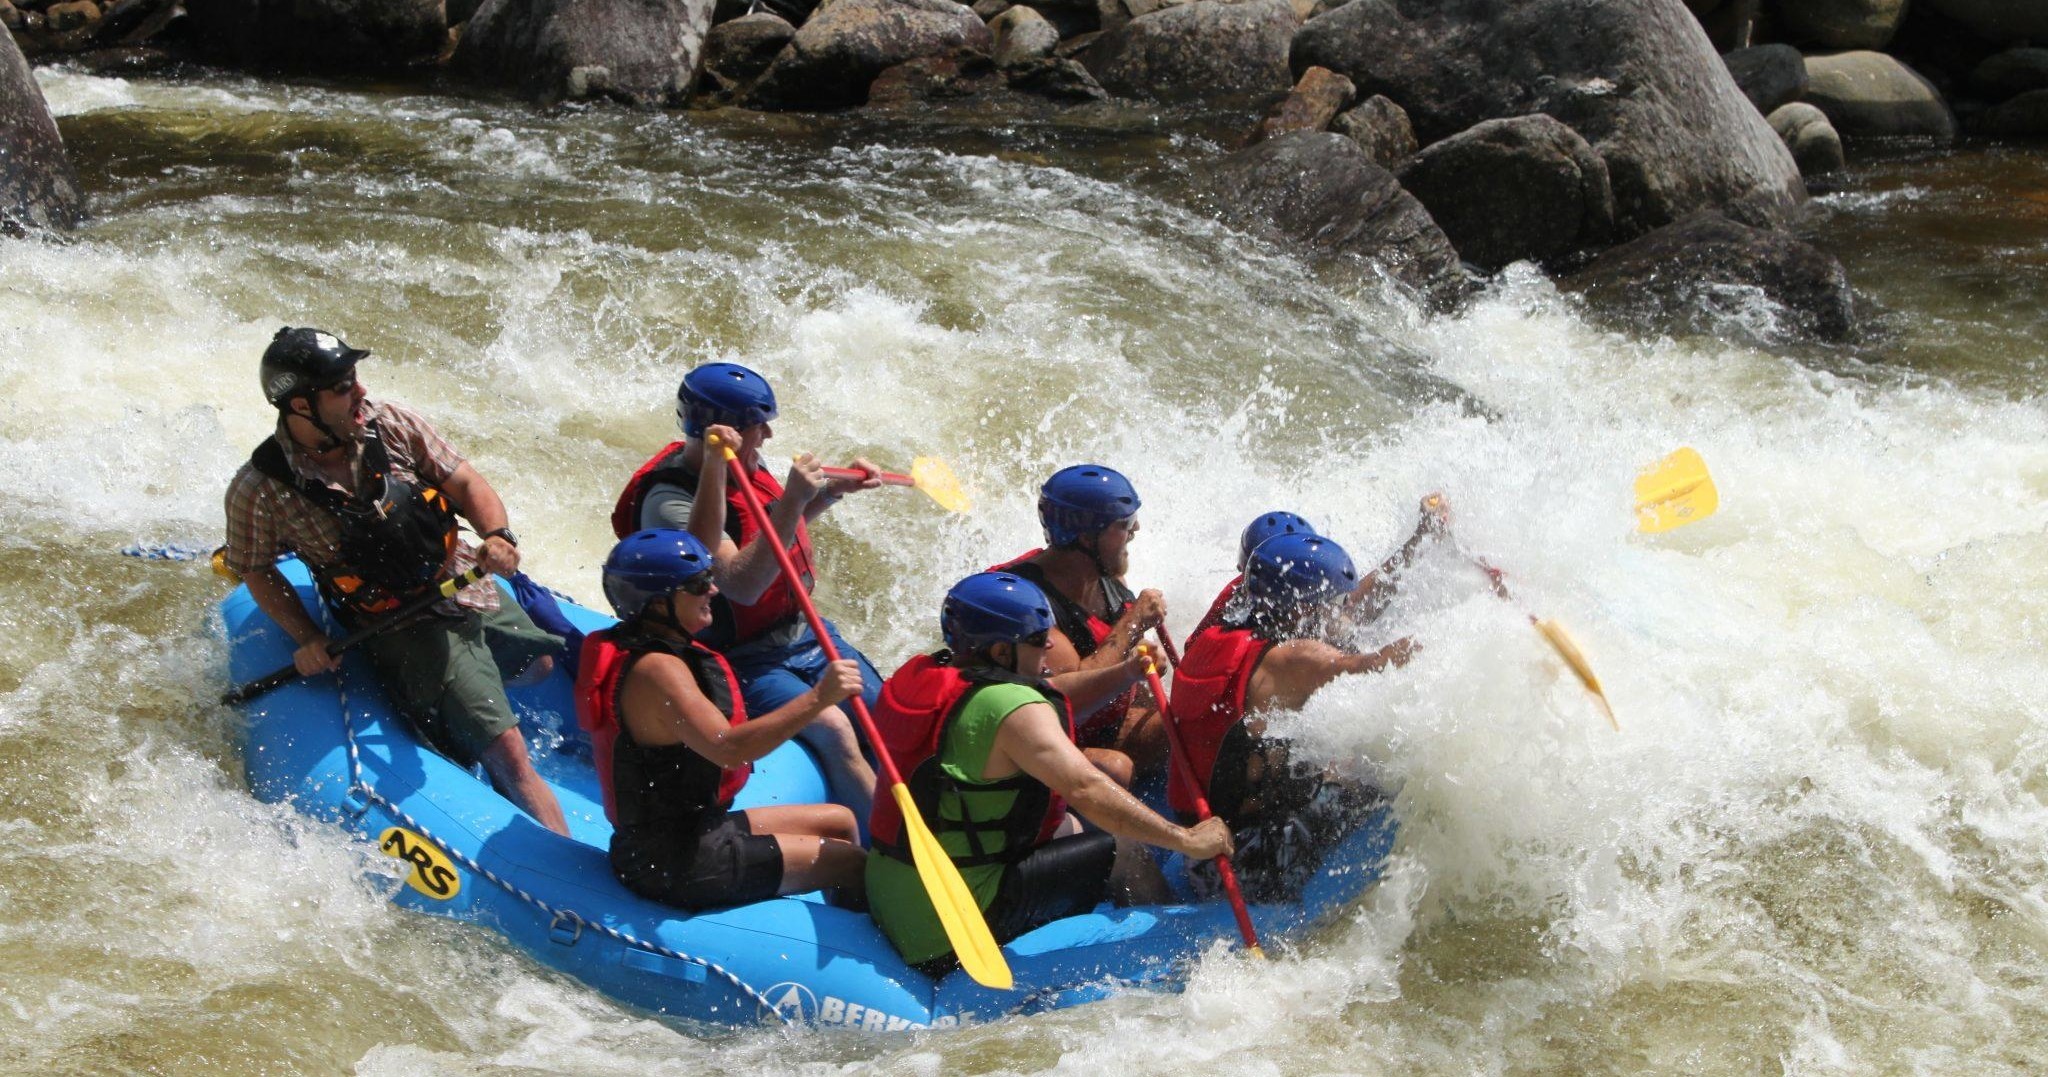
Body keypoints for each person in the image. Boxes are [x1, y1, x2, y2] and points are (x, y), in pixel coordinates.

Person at [221, 327, 569, 835]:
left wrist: (498, 534)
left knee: (537, 664)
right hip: (400, 621)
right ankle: (557, 867)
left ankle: (450, 710)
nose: (359, 391)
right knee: (512, 759)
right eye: (341, 386)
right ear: (300, 405)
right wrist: (308, 637)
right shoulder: (259, 489)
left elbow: (466, 481)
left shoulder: (391, 424)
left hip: (458, 578)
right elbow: (254, 567)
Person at [865, 572, 1234, 973]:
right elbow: (1086, 786)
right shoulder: (1011, 711)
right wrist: (1185, 839)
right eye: (1039, 640)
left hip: (897, 892)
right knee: (1123, 849)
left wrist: (1124, 673)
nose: (1050, 647)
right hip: (956, 925)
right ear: (1002, 653)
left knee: (1072, 827)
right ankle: (1186, 957)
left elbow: (1045, 694)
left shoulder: (924, 675)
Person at [611, 362, 880, 820]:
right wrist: (794, 498)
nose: (768, 437)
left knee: (882, 713)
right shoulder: (669, 501)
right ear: (727, 431)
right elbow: (742, 585)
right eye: (760, 426)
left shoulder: (743, 461)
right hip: (742, 656)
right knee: (834, 729)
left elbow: (773, 532)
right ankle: (893, 851)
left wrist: (829, 493)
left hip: (802, 634)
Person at [578, 530, 866, 910]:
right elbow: (729, 749)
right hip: (672, 862)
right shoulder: (657, 671)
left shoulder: (652, 647)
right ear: (659, 604)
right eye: (698, 584)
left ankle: (843, 922)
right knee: (854, 864)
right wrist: (818, 699)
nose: (713, 590)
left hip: (694, 829)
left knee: (840, 821)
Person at [1168, 533, 1417, 901]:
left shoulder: (1217, 638)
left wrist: (1416, 543)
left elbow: (1352, 616)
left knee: (1329, 763)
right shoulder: (1293, 661)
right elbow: (1374, 665)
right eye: (1333, 601)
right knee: (1381, 781)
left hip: (1205, 854)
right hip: (1246, 868)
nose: (1341, 611)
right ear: (1302, 608)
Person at [993, 465, 1169, 769]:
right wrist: (1134, 622)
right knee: (1116, 769)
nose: (1136, 528)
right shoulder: (1028, 604)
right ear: (1087, 538)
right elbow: (1068, 703)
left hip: (1106, 722)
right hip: (1041, 737)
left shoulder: (1105, 577)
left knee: (1193, 723)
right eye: (1124, 523)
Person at [1187, 498, 1452, 649]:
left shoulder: (1256, 588)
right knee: (1344, 625)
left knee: (1345, 621)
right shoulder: (1250, 630)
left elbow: (1353, 602)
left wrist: (1418, 539)